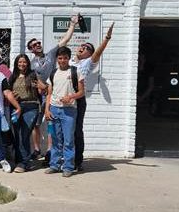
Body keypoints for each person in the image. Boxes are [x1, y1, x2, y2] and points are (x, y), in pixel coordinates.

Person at [61, 22, 114, 171]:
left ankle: (77, 162)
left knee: (76, 130)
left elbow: (98, 53)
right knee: (63, 130)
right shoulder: (69, 60)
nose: (83, 47)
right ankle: (63, 159)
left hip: (77, 99)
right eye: (82, 45)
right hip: (63, 99)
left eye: (87, 48)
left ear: (89, 53)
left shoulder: (87, 63)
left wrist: (107, 38)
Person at [28, 15, 76, 163]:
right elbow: (30, 80)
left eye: (39, 43)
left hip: (51, 93)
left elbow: (65, 40)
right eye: (35, 45)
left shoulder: (51, 54)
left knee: (50, 122)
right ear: (30, 49)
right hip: (37, 97)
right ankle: (36, 149)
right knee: (36, 123)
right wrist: (38, 86)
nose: (38, 45)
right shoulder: (30, 63)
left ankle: (49, 151)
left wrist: (72, 24)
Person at [44, 47, 85, 177]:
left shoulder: (75, 71)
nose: (62, 60)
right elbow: (49, 93)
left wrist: (70, 97)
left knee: (68, 140)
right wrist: (47, 110)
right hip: (54, 109)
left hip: (69, 110)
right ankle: (54, 165)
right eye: (60, 58)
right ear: (57, 59)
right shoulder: (53, 73)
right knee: (55, 139)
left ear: (69, 58)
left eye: (65, 58)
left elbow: (81, 92)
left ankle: (68, 167)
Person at [7, 54, 45, 173]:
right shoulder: (13, 76)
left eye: (24, 62)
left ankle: (23, 163)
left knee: (25, 134)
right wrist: (13, 95)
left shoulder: (33, 74)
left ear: (28, 63)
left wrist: (40, 87)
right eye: (19, 62)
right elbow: (8, 92)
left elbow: (43, 89)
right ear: (16, 64)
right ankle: (21, 161)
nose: (22, 64)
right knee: (17, 135)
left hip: (31, 106)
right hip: (16, 107)